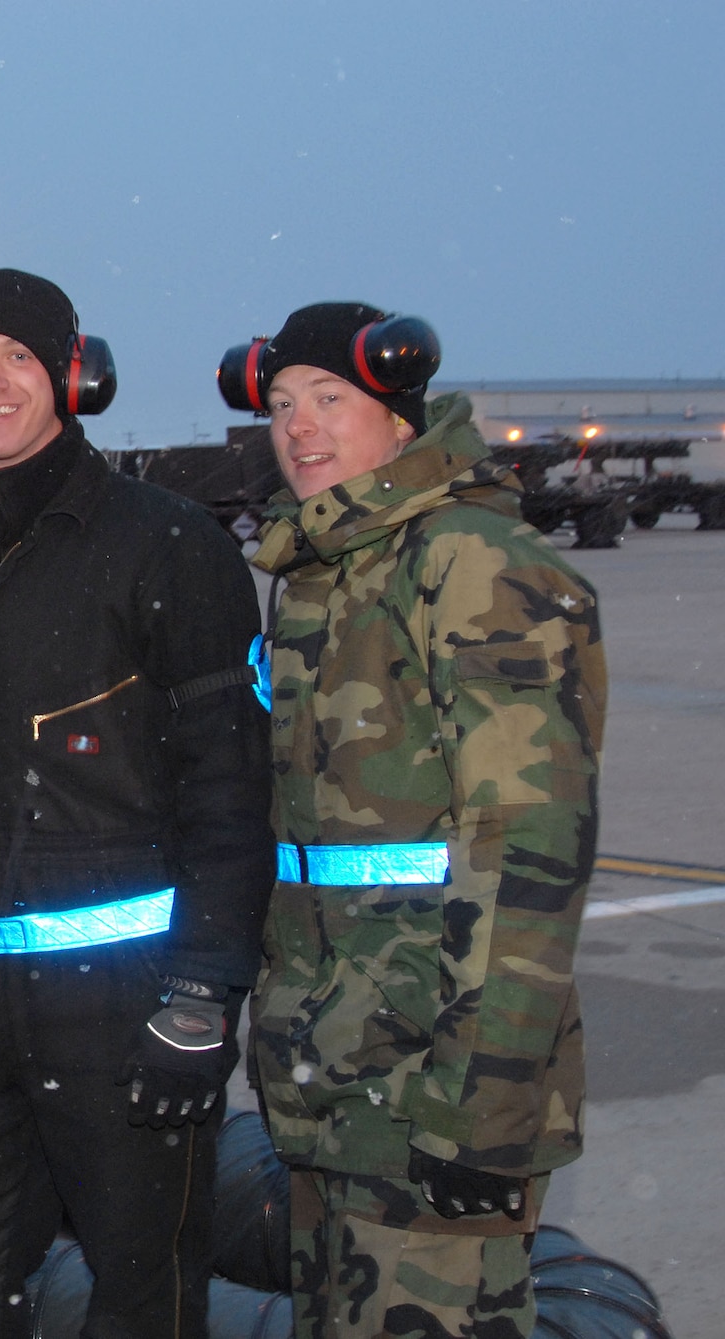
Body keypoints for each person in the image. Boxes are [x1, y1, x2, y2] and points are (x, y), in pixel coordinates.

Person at [0, 269, 275, 1338]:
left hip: (124, 1004)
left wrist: (202, 994)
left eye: (19, 358)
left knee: (142, 1299)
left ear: (68, 377)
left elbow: (229, 787)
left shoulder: (169, 545)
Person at [224, 303, 606, 1338]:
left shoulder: (469, 562)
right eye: (281, 405)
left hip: (427, 1084)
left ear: (399, 418)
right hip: (332, 1071)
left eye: (329, 399)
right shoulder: (326, 570)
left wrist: (477, 1107)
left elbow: (526, 852)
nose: (298, 426)